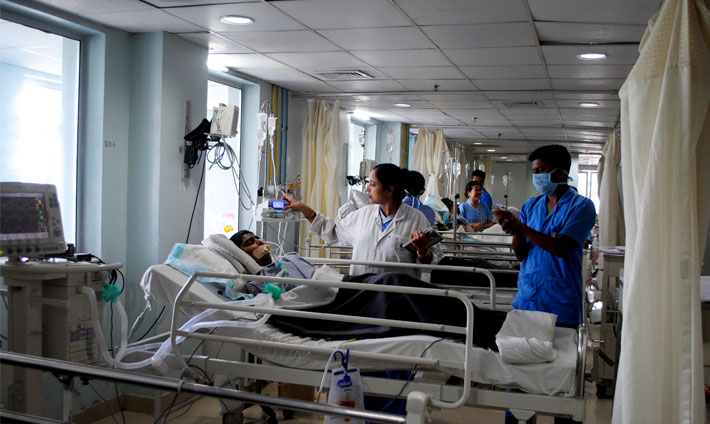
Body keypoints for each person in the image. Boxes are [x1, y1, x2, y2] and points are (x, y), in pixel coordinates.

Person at [493, 145, 596, 328]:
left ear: (560, 173)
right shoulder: (530, 206)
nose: (536, 177)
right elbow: (521, 255)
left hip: (560, 303)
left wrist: (522, 227)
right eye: (534, 171)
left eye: (540, 170)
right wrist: (515, 231)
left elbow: (560, 248)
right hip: (527, 299)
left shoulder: (581, 207)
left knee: (560, 346)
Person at [283, 163, 439, 277]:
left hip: (396, 296)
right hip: (362, 292)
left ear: (389, 190)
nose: (367, 189)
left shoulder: (417, 219)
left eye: (373, 184)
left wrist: (422, 250)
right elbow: (333, 231)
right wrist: (305, 210)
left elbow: (433, 264)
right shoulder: (362, 215)